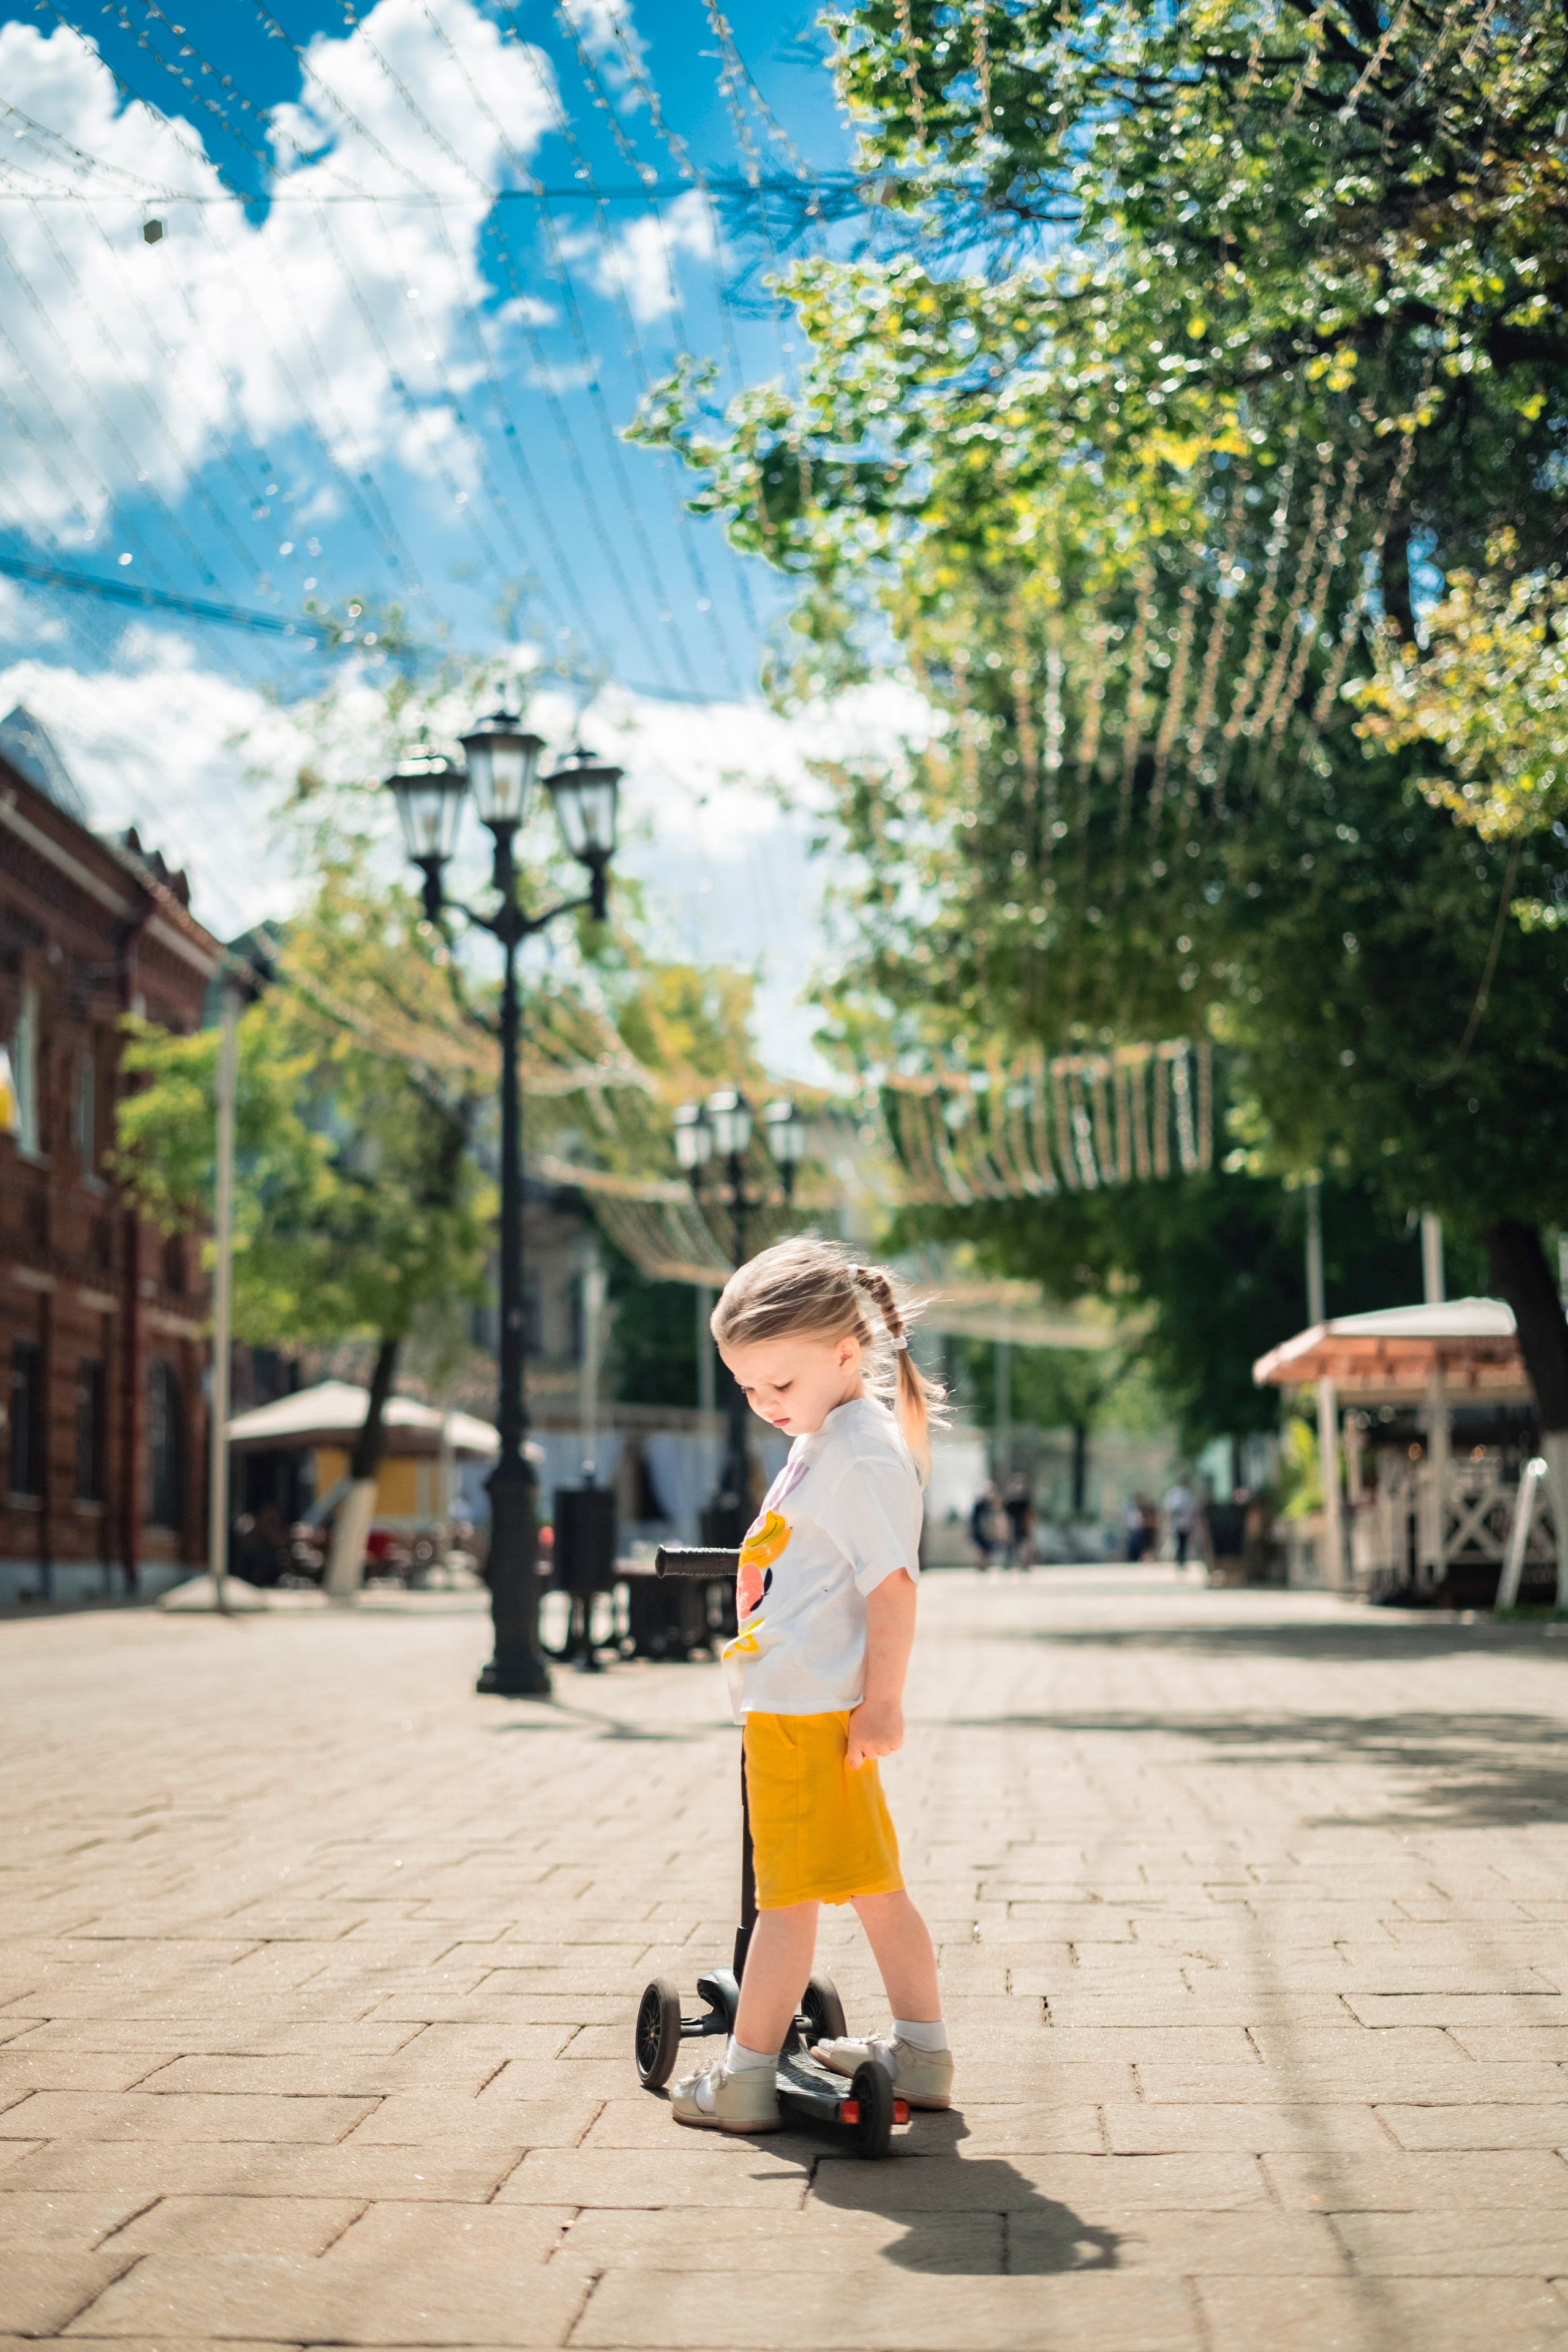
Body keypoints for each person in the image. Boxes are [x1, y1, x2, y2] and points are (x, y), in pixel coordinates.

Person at [669, 1237, 954, 2134]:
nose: (764, 1407)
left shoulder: (860, 1453)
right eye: (749, 1389)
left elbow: (892, 1585)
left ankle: (747, 2077)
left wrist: (885, 1699)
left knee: (783, 1901)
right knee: (873, 1883)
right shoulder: (834, 1433)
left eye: (777, 1387)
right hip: (806, 1702)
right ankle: (923, 2050)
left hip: (806, 1713)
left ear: (844, 1354)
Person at [1003, 1472, 1034, 1570]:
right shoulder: (1009, 1501)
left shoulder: (1025, 1500)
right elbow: (1005, 1517)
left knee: (1024, 1547)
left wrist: (1030, 1528)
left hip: (1022, 1527)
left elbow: (1028, 1516)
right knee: (1013, 1548)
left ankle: (1024, 1565)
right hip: (1012, 1527)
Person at [1163, 1478, 1196, 1569]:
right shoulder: (1175, 1493)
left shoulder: (1187, 1494)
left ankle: (1182, 1563)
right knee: (1178, 1543)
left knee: (1184, 1544)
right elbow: (1170, 1508)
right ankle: (1179, 1562)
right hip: (1177, 1524)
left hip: (1185, 1524)